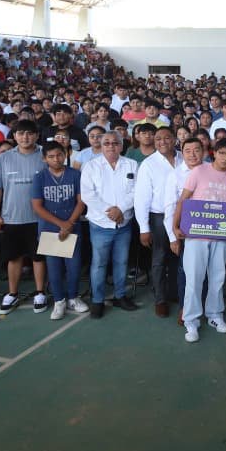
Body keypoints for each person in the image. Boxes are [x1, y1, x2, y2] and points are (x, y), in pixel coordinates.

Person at [173, 137, 226, 342]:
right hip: (195, 234)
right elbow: (183, 200)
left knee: (218, 276)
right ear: (214, 153)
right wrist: (175, 226)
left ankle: (215, 315)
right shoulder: (199, 171)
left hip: (219, 236)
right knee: (194, 278)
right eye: (222, 153)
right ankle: (191, 321)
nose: (225, 157)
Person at [0, 120, 49, 313]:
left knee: (38, 257)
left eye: (29, 133)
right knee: (13, 258)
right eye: (21, 133)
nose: (25, 137)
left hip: (40, 218)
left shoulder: (45, 155)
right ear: (14, 136)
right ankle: (12, 293)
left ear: (36, 135)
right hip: (12, 217)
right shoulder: (4, 158)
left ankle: (40, 292)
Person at [80, 131, 140, 318]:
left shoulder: (131, 164)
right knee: (99, 264)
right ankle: (97, 300)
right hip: (100, 224)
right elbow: (89, 195)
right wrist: (111, 212)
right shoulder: (91, 166)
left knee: (121, 262)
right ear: (101, 145)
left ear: (122, 146)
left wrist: (120, 209)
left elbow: (137, 191)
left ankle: (120, 295)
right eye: (107, 143)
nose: (111, 146)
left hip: (124, 223)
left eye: (115, 143)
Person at [31, 142, 89, 320]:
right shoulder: (40, 177)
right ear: (44, 158)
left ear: (65, 155)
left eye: (59, 155)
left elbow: (81, 201)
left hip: (72, 225)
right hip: (49, 228)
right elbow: (37, 207)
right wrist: (61, 224)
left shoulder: (75, 175)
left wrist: (69, 222)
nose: (56, 159)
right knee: (54, 267)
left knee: (73, 266)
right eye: (51, 156)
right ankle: (59, 300)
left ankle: (73, 297)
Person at [136, 126, 179, 317]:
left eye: (167, 138)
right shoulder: (149, 164)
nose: (163, 142)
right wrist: (144, 227)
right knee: (160, 258)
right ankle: (160, 299)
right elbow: (141, 198)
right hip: (159, 217)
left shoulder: (184, 158)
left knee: (177, 257)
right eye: (158, 139)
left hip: (182, 216)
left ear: (175, 139)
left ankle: (174, 292)